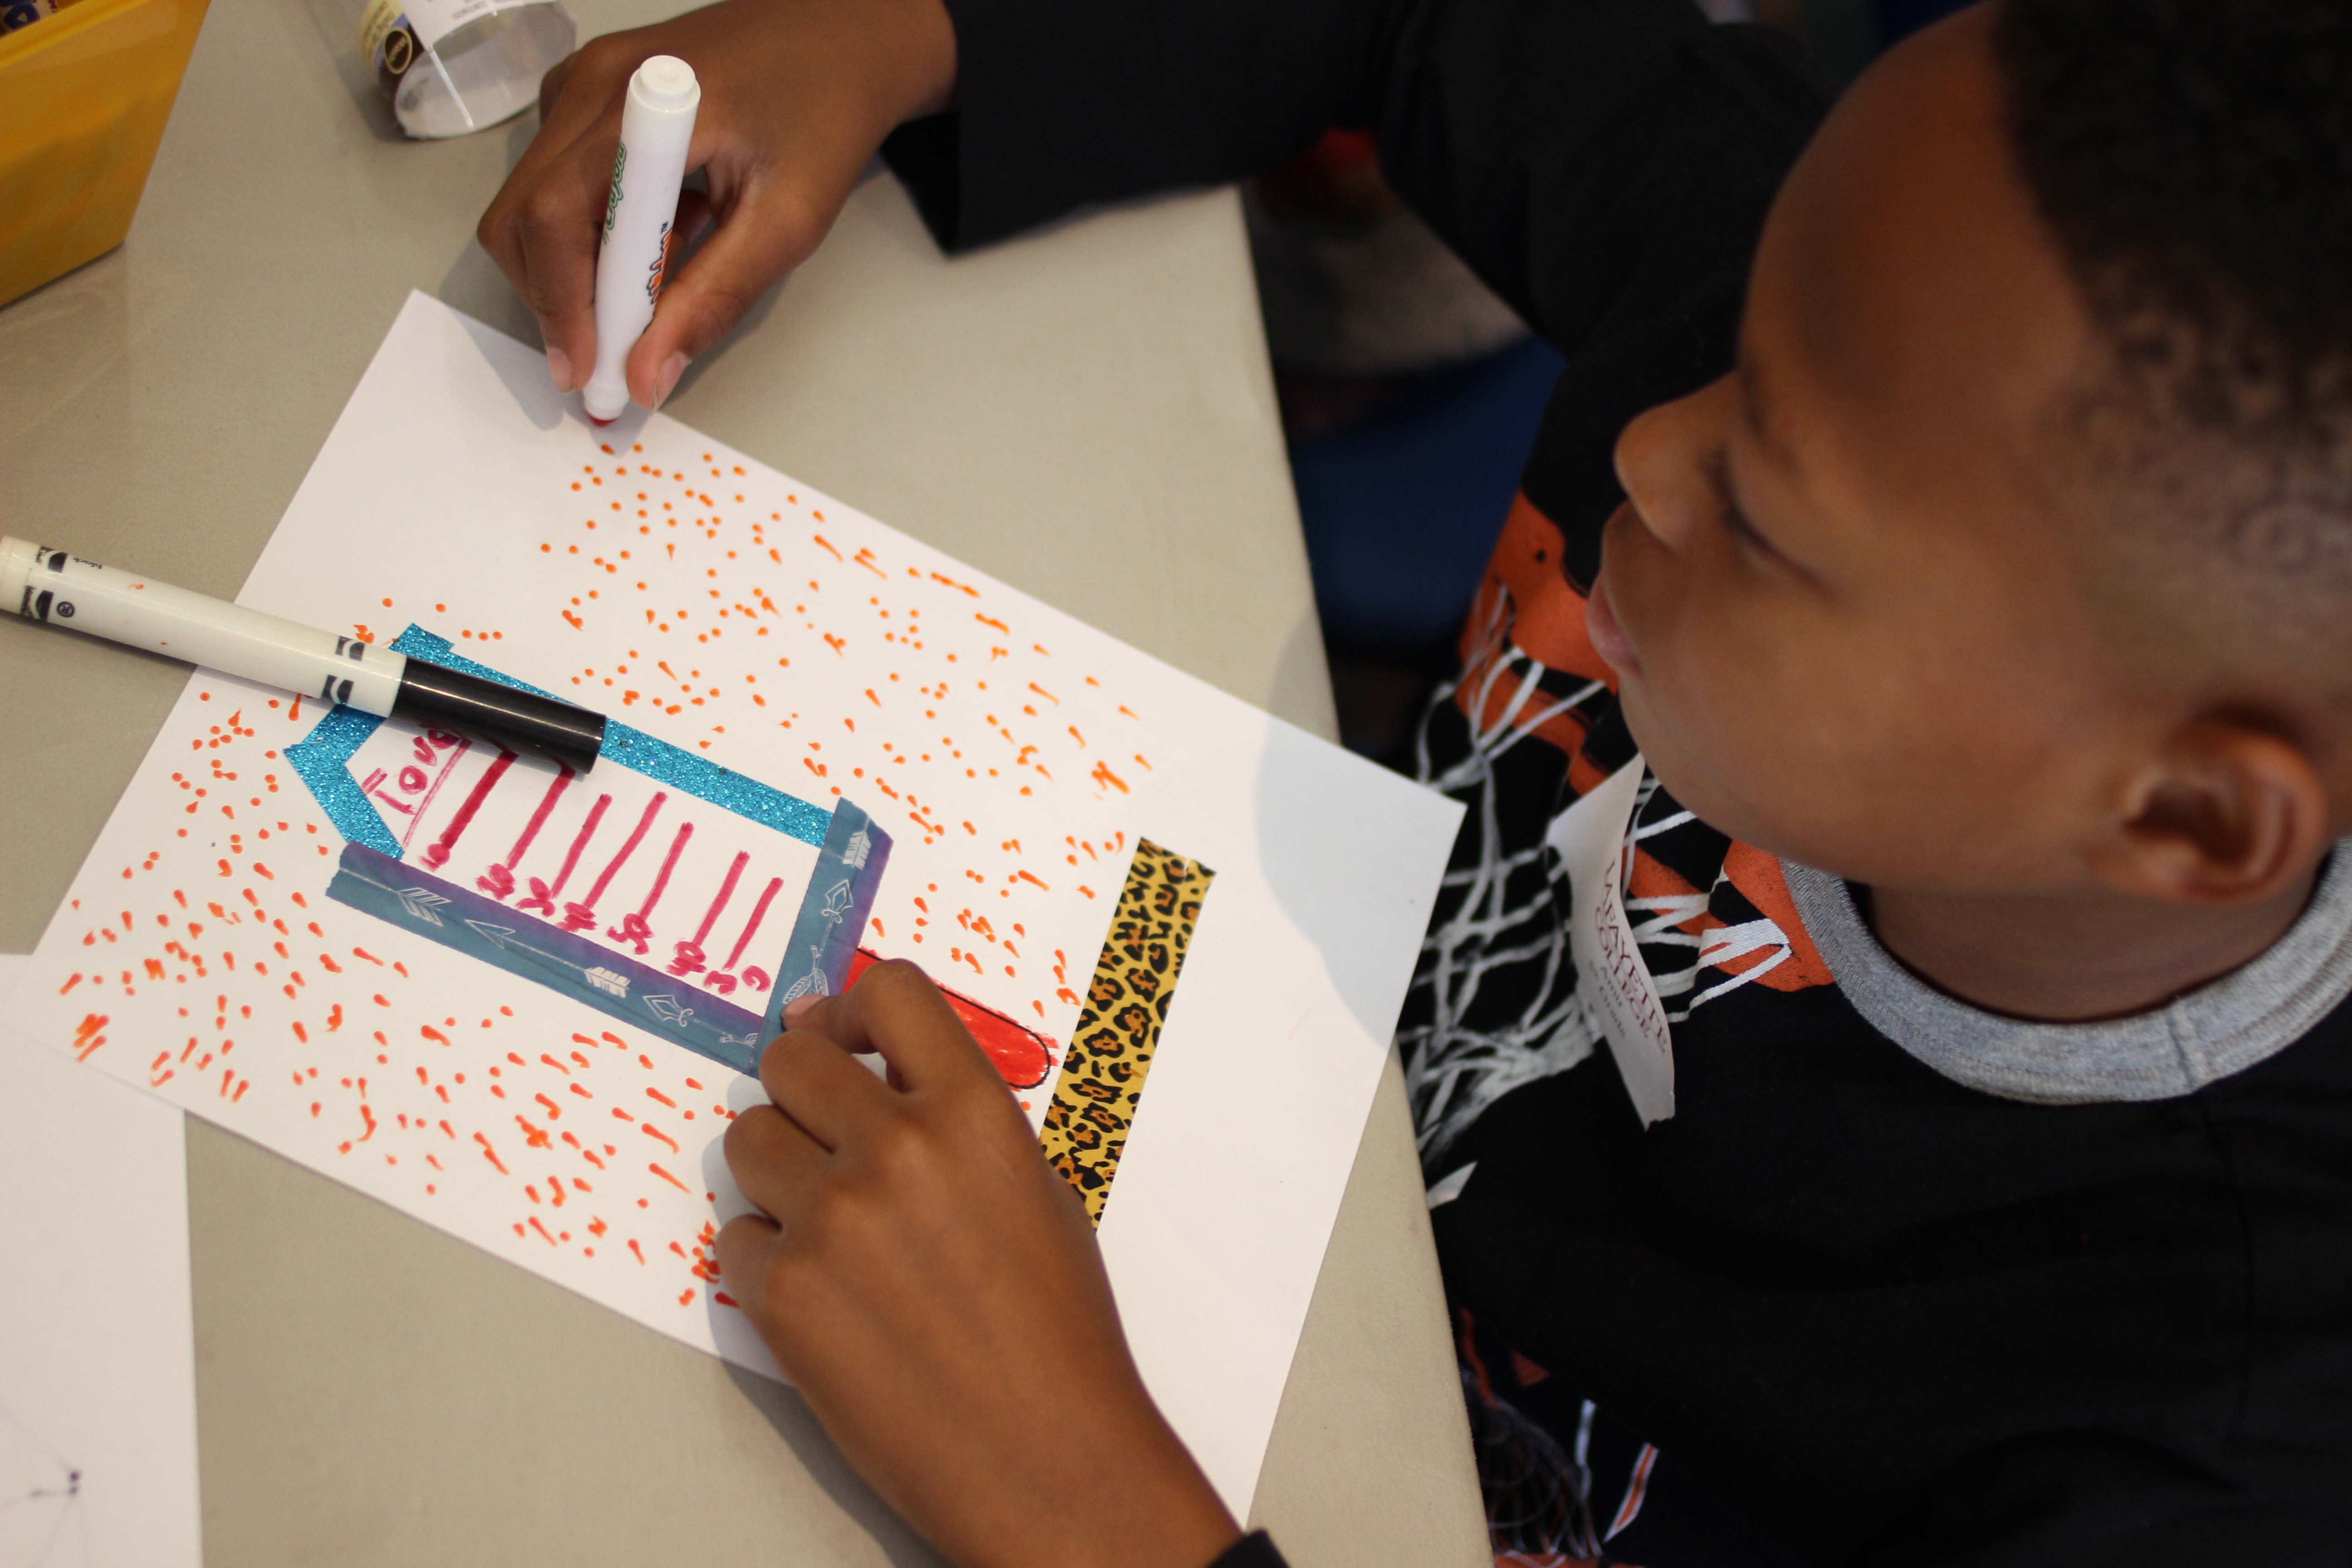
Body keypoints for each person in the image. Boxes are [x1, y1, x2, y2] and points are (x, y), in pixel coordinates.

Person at [479, 0, 2352, 1562]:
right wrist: (891, 35)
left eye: (1770, 517)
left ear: (2187, 817)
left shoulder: (2198, 1436)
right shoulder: (1878, 320)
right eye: (1734, 360)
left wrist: (1073, 1501)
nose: (1650, 447)